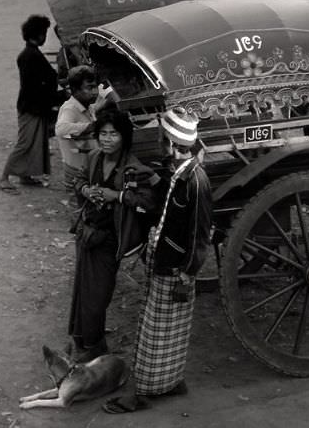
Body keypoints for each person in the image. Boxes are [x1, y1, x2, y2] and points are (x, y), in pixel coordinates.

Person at [104, 107, 212, 414]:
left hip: (175, 267)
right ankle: (171, 381)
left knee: (154, 332)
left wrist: (188, 273)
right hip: (165, 259)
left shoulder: (195, 182)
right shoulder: (177, 174)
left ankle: (141, 392)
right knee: (168, 330)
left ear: (174, 145)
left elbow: (200, 235)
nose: (161, 145)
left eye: (164, 140)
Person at [68, 109, 161, 363]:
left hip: (111, 238)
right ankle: (83, 341)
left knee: (98, 296)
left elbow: (148, 202)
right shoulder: (94, 158)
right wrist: (87, 190)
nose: (107, 140)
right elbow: (76, 181)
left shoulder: (133, 169)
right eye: (103, 134)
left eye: (113, 134)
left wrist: (116, 196)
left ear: (124, 138)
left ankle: (95, 347)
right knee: (83, 291)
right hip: (88, 233)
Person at [0, 15, 59, 193]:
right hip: (31, 107)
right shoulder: (30, 56)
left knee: (34, 141)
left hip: (33, 106)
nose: (45, 37)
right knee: (25, 143)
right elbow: (36, 84)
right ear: (39, 34)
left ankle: (25, 175)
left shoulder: (30, 54)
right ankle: (4, 177)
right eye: (44, 33)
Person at [54, 65, 98, 199]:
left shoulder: (88, 106)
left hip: (85, 167)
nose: (94, 91)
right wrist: (89, 127)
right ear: (76, 90)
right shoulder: (70, 108)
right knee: (77, 204)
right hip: (75, 169)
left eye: (94, 87)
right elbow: (60, 130)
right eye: (89, 88)